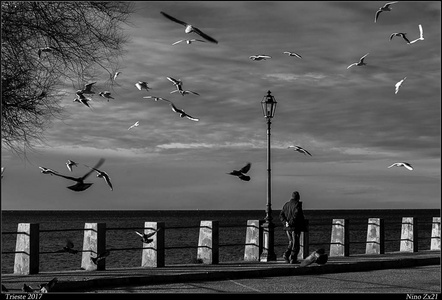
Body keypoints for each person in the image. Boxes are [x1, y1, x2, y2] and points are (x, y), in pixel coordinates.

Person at [279, 191, 306, 264]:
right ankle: (293, 258)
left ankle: (286, 254)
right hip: (295, 227)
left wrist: (286, 222)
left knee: (291, 242)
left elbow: (281, 215)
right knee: (295, 243)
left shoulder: (286, 205)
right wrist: (290, 223)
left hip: (287, 228)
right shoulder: (297, 205)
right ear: (298, 197)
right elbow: (296, 215)